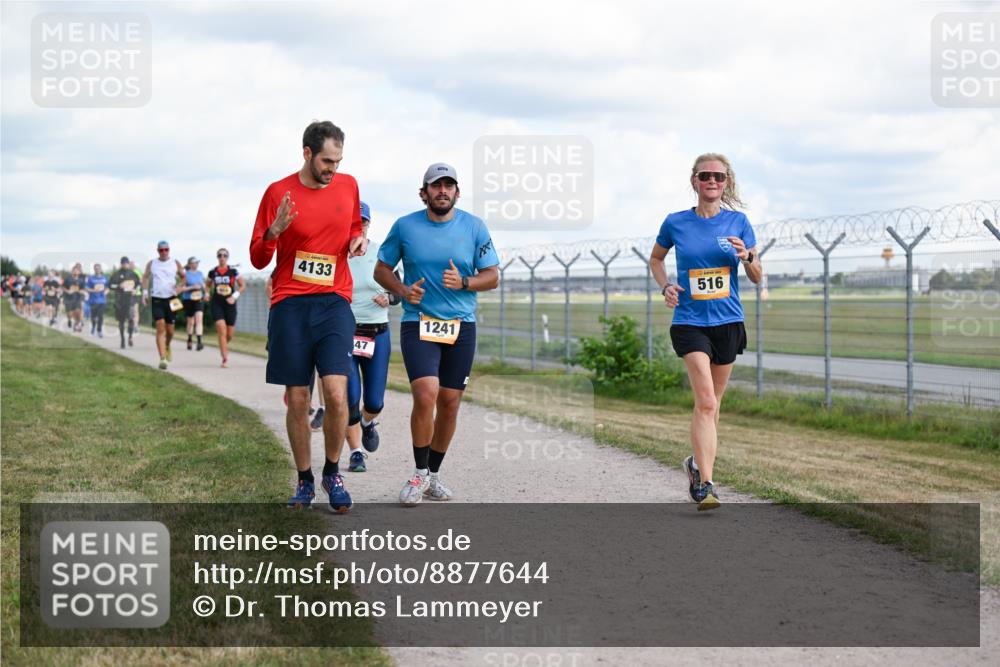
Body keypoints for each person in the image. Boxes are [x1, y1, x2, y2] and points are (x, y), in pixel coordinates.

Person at [249, 120, 367, 512]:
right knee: (298, 399)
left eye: (338, 161)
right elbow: (257, 257)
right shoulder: (277, 193)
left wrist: (358, 238)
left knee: (336, 393)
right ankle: (304, 480)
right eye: (327, 161)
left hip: (333, 301)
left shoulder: (348, 185)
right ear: (307, 153)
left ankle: (332, 472)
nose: (333, 169)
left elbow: (353, 225)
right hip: (291, 304)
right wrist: (273, 232)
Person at [375, 163, 499, 506]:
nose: (442, 190)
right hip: (419, 322)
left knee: (449, 402)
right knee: (426, 393)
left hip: (461, 325)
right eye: (436, 185)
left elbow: (492, 276)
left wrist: (464, 282)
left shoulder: (474, 227)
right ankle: (418, 474)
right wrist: (402, 290)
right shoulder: (405, 226)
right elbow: (381, 270)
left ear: (457, 192)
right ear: (424, 192)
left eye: (448, 185)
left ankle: (433, 476)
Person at [648, 152, 762, 511]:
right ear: (694, 181)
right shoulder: (676, 222)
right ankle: (706, 486)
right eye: (705, 176)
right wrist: (666, 286)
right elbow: (656, 258)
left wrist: (747, 258)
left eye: (718, 176)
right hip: (690, 321)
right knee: (707, 401)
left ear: (727, 183)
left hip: (728, 322)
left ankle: (696, 465)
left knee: (713, 406)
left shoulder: (739, 222)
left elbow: (757, 276)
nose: (712, 181)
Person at [334, 201, 397, 472]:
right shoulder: (336, 253)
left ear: (369, 224)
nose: (358, 226)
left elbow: (398, 289)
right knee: (350, 400)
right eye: (353, 220)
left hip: (377, 333)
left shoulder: (380, 253)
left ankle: (368, 422)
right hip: (345, 333)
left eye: (362, 221)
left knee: (374, 401)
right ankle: (356, 452)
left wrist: (389, 297)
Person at [142, 240, 185, 370]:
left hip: (172, 298)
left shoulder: (175, 263)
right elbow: (145, 277)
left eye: (166, 249)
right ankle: (162, 358)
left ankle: (167, 345)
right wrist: (145, 293)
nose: (164, 252)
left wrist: (180, 286)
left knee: (170, 330)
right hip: (157, 299)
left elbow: (183, 277)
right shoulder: (152, 263)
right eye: (161, 250)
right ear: (158, 251)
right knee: (160, 326)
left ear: (169, 250)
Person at [207, 248, 245, 368]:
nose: (222, 257)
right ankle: (225, 359)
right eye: (220, 255)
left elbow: (243, 286)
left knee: (229, 335)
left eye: (224, 255)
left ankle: (222, 344)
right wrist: (207, 294)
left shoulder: (233, 271)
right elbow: (207, 285)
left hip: (230, 304)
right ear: (217, 257)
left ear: (227, 257)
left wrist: (234, 296)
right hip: (217, 303)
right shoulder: (212, 272)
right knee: (221, 328)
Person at [109, 256, 138, 348]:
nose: (125, 265)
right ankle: (122, 339)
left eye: (126, 263)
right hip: (120, 300)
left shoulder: (133, 274)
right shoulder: (116, 274)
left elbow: (138, 284)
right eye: (123, 263)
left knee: (131, 319)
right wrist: (118, 286)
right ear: (121, 264)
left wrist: (135, 290)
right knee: (121, 321)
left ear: (128, 264)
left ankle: (130, 337)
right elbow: (110, 286)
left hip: (130, 300)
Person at [180, 257, 207, 351]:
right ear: (190, 264)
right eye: (194, 262)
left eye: (197, 262)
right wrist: (192, 287)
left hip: (199, 298)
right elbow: (181, 289)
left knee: (199, 319)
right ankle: (189, 339)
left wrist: (205, 292)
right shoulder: (185, 275)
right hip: (188, 299)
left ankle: (199, 342)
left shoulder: (200, 273)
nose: (196, 264)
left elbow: (203, 285)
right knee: (191, 322)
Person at [86, 263, 109, 337]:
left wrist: (106, 292)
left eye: (98, 268)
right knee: (93, 316)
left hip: (102, 300)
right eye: (96, 269)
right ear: (94, 270)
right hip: (93, 300)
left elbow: (107, 288)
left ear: (101, 269)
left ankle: (99, 330)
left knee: (100, 316)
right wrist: (94, 290)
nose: (97, 270)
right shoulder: (91, 278)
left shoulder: (105, 278)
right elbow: (87, 288)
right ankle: (93, 326)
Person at [63, 264, 87, 332]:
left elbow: (83, 289)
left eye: (77, 270)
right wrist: (68, 291)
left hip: (77, 297)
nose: (76, 272)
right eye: (74, 270)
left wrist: (80, 291)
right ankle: (70, 320)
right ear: (72, 271)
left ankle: (77, 324)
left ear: (79, 272)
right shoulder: (68, 279)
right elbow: (63, 287)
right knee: (70, 313)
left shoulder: (81, 280)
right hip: (69, 298)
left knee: (78, 310)